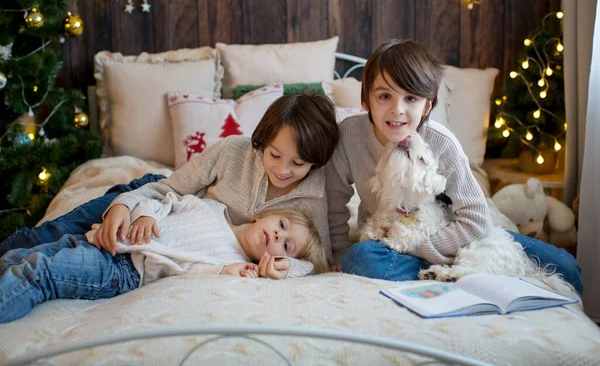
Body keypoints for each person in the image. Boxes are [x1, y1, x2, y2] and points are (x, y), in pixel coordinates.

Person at [325, 39, 583, 295]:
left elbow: (476, 222)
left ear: (428, 104)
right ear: (366, 100)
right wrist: (337, 251)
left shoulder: (442, 142)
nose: (397, 110)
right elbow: (334, 201)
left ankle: (450, 268)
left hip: (456, 232)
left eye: (411, 98)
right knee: (359, 259)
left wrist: (426, 249)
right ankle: (449, 272)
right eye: (384, 96)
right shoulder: (350, 134)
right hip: (389, 237)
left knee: (567, 268)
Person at [0, 92, 340, 277]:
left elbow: (318, 262)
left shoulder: (313, 195)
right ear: (261, 141)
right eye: (275, 155)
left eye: (298, 164)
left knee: (63, 250)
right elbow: (168, 190)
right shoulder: (233, 150)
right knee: (51, 234)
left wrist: (286, 267)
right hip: (161, 198)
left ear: (317, 160)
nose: (282, 170)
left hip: (176, 232)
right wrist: (122, 204)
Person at [0, 197, 328, 323]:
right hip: (101, 237)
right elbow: (160, 201)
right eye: (281, 226)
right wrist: (143, 215)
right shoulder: (209, 207)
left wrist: (226, 271)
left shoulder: (233, 262)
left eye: (287, 246)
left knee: (39, 274)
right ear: (262, 214)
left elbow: (190, 273)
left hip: (121, 269)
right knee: (17, 257)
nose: (277, 238)